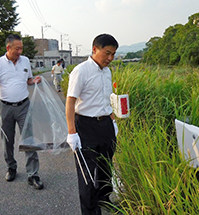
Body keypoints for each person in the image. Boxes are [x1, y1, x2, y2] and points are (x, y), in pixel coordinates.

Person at [66, 33, 119, 215]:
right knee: (87, 173)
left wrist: (112, 120)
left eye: (113, 54)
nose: (110, 58)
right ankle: (90, 211)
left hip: (105, 125)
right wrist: (72, 132)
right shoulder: (81, 71)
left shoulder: (107, 71)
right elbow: (70, 102)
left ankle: (104, 199)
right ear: (94, 49)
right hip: (85, 126)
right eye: (107, 53)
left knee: (106, 166)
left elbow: (104, 99)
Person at [0, 34, 44, 190]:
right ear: (8, 47)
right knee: (8, 140)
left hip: (24, 106)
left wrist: (35, 81)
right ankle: (11, 167)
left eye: (21, 48)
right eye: (17, 48)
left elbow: (28, 81)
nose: (20, 51)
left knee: (29, 139)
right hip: (5, 107)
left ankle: (33, 174)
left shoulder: (25, 61)